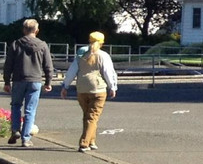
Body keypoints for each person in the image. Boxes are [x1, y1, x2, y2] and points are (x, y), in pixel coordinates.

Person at [60, 32, 118, 153]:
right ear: (102, 43)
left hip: (81, 88)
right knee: (92, 116)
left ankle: (92, 141)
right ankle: (84, 143)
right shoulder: (103, 55)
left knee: (88, 116)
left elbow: (72, 71)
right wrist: (112, 87)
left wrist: (65, 86)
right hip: (98, 88)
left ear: (89, 41)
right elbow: (108, 72)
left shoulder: (81, 55)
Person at [2, 18, 54, 147]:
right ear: (37, 30)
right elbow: (48, 65)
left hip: (19, 80)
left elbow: (8, 65)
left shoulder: (16, 44)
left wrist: (7, 81)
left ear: (24, 30)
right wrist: (48, 82)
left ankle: (15, 130)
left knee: (16, 105)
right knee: (30, 110)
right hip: (35, 80)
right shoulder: (42, 45)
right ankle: (26, 138)